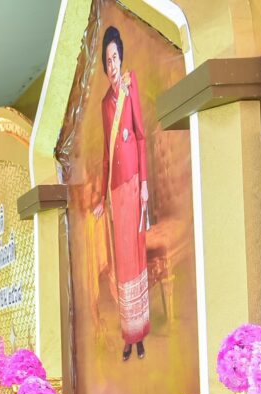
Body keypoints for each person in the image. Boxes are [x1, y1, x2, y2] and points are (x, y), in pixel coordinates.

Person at [92, 25, 150, 362]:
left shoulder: (131, 84)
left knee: (136, 258)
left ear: (121, 58)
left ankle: (140, 336)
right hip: (116, 191)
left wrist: (144, 184)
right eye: (108, 60)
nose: (112, 65)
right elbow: (105, 154)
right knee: (122, 263)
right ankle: (128, 336)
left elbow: (140, 135)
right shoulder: (105, 104)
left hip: (133, 184)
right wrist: (101, 197)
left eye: (115, 57)